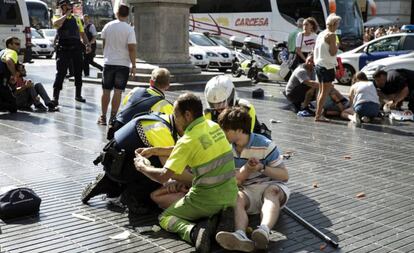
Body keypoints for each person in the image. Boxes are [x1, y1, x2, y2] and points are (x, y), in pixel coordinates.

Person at [134, 93, 238, 253]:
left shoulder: (187, 140)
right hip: (231, 195)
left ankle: (193, 232)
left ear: (187, 115)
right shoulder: (213, 126)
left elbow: (163, 176)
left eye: (176, 115)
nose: (174, 119)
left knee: (164, 218)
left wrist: (142, 167)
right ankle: (220, 217)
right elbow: (188, 148)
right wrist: (155, 151)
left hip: (207, 199)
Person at [81, 111, 192, 214]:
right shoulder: (161, 131)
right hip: (122, 167)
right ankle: (133, 196)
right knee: (158, 169)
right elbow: (170, 171)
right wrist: (197, 182)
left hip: (111, 161)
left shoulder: (161, 117)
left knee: (152, 156)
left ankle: (110, 183)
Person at [215, 107, 289, 252]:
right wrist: (248, 169)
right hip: (247, 189)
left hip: (270, 185)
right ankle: (240, 234)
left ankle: (264, 230)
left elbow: (284, 176)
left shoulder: (265, 145)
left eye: (226, 130)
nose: (222, 134)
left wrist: (262, 168)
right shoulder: (227, 149)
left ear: (238, 130)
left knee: (271, 192)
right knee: (236, 197)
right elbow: (237, 181)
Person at [106, 68, 173, 139]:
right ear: (168, 86)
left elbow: (125, 102)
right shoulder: (165, 104)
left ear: (151, 82)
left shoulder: (135, 90)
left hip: (117, 129)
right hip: (132, 136)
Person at [98, 4, 136, 126]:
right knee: (118, 92)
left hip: (109, 62)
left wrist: (106, 55)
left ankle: (103, 116)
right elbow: (131, 48)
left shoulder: (108, 26)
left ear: (117, 13)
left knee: (106, 91)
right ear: (128, 15)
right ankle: (113, 117)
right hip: (123, 64)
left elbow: (104, 43)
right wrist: (134, 65)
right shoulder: (129, 29)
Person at [204, 75, 271, 139]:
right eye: (214, 104)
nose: (218, 107)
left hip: (254, 144)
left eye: (222, 102)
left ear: (231, 97)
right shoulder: (208, 113)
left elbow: (245, 138)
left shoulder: (245, 109)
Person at [52, 0, 91, 105]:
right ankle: (55, 97)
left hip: (76, 49)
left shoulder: (77, 18)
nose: (70, 7)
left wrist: (87, 44)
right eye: (68, 6)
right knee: (61, 72)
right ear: (63, 7)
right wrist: (66, 15)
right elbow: (56, 24)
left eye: (70, 6)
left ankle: (78, 95)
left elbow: (82, 33)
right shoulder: (57, 16)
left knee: (78, 72)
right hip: (63, 49)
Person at [313, 13, 341, 122]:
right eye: (337, 24)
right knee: (324, 93)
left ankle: (318, 113)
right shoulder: (332, 35)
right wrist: (336, 46)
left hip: (319, 65)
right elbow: (333, 52)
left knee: (320, 91)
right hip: (327, 66)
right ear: (334, 24)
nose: (338, 26)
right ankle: (318, 115)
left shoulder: (321, 33)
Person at [0, 37, 20, 113]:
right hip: (2, 80)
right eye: (16, 44)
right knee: (13, 106)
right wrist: (14, 74)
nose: (19, 46)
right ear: (9, 45)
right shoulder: (12, 52)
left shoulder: (2, 51)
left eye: (19, 44)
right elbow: (9, 61)